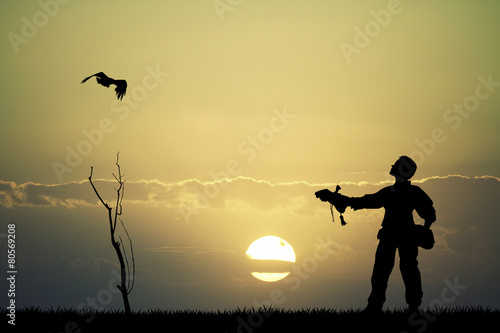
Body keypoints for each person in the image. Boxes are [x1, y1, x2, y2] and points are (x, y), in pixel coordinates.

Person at [315, 156, 436, 314]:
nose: (393, 165)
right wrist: (336, 198)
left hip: (396, 235)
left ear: (403, 170)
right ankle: (390, 306)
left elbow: (365, 202)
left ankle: (385, 306)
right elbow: (365, 201)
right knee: (391, 270)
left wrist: (336, 198)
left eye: (397, 164)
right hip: (399, 235)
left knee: (397, 270)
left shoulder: (400, 192)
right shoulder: (403, 192)